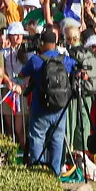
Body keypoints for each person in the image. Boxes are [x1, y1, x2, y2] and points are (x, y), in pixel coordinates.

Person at [25, 26, 77, 177]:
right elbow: (77, 68)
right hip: (60, 108)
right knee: (57, 139)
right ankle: (55, 174)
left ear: (42, 43)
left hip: (41, 108)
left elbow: (22, 74)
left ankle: (37, 173)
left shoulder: (36, 60)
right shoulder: (64, 60)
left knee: (37, 138)